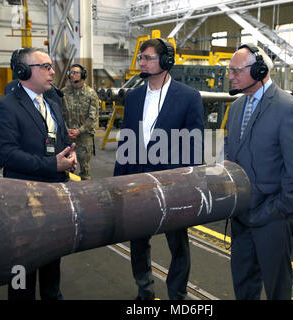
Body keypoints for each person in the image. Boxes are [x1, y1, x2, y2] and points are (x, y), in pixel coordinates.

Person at [113, 38, 204, 300]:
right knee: (138, 242)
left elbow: (194, 147)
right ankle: (145, 291)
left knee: (178, 244)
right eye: (141, 58)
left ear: (165, 62)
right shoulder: (133, 97)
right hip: (137, 183)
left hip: (172, 185)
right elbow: (126, 140)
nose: (141, 62)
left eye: (148, 58)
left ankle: (177, 294)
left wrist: (186, 185)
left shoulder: (188, 97)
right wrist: (119, 183)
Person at [0, 47, 77, 300]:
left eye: (51, 66)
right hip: (22, 203)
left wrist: (70, 156)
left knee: (51, 263)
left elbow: (58, 142)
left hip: (55, 196)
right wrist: (52, 165)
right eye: (46, 67)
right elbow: (7, 155)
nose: (53, 72)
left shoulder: (53, 104)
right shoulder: (4, 108)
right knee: (21, 271)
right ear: (23, 71)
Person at [224, 44, 293, 300]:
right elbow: (231, 153)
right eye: (230, 70)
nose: (231, 76)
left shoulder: (287, 107)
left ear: (260, 70)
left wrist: (281, 209)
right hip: (241, 214)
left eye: (236, 70)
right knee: (243, 281)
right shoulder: (237, 107)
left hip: (272, 216)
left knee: (277, 286)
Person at [62, 63, 99, 180]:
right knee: (64, 167)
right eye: (70, 73)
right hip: (67, 135)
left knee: (85, 170)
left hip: (84, 136)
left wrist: (80, 130)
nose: (72, 75)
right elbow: (59, 114)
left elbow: (92, 117)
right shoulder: (63, 93)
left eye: (75, 72)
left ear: (82, 75)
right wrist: (66, 129)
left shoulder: (91, 93)